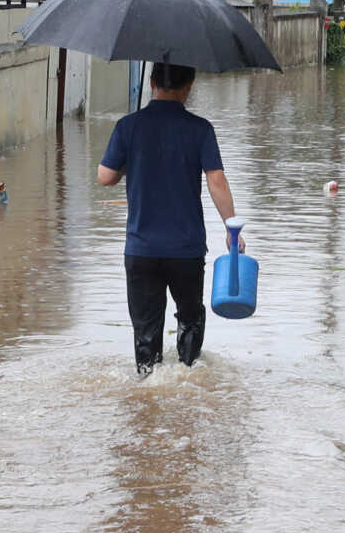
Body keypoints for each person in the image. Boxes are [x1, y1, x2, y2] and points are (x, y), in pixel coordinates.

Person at [97, 62, 240, 375]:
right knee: (190, 320)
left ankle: (148, 391)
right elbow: (216, 180)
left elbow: (105, 177)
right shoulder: (200, 129)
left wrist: (126, 161)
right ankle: (188, 378)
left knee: (146, 333)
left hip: (141, 250)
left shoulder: (128, 126)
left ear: (151, 82)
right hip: (186, 250)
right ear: (189, 86)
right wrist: (232, 230)